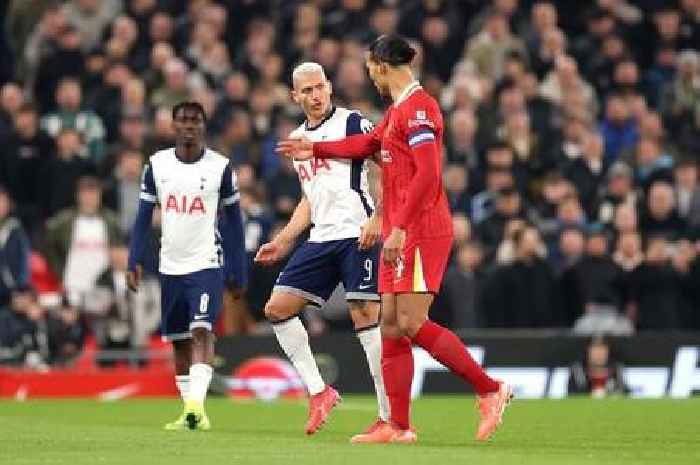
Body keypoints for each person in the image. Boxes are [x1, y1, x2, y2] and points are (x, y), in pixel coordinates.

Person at [277, 35, 511, 444]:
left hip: (420, 228)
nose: (372, 78)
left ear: (382, 67)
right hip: (401, 228)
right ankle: (397, 425)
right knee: (389, 327)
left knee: (411, 322)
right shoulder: (397, 111)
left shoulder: (420, 109)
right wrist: (314, 148)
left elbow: (428, 175)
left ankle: (490, 389)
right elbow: (364, 145)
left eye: (371, 70)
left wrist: (398, 226)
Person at [254, 62, 389, 438]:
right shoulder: (298, 138)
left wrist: (379, 216)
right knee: (277, 309)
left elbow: (387, 167)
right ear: (294, 96)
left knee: (365, 315)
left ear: (330, 87)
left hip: (355, 232)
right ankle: (319, 392)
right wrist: (284, 239)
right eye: (306, 91)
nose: (315, 96)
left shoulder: (352, 123)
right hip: (320, 238)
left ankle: (387, 415)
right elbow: (309, 200)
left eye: (320, 88)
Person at [127, 101, 247, 431]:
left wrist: (239, 270)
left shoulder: (220, 168)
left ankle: (196, 406)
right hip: (170, 266)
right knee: (179, 341)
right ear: (173, 126)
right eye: (183, 120)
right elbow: (141, 218)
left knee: (201, 330)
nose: (189, 126)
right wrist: (133, 259)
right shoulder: (157, 165)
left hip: (206, 263)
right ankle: (190, 413)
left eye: (195, 120)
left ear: (203, 126)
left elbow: (235, 225)